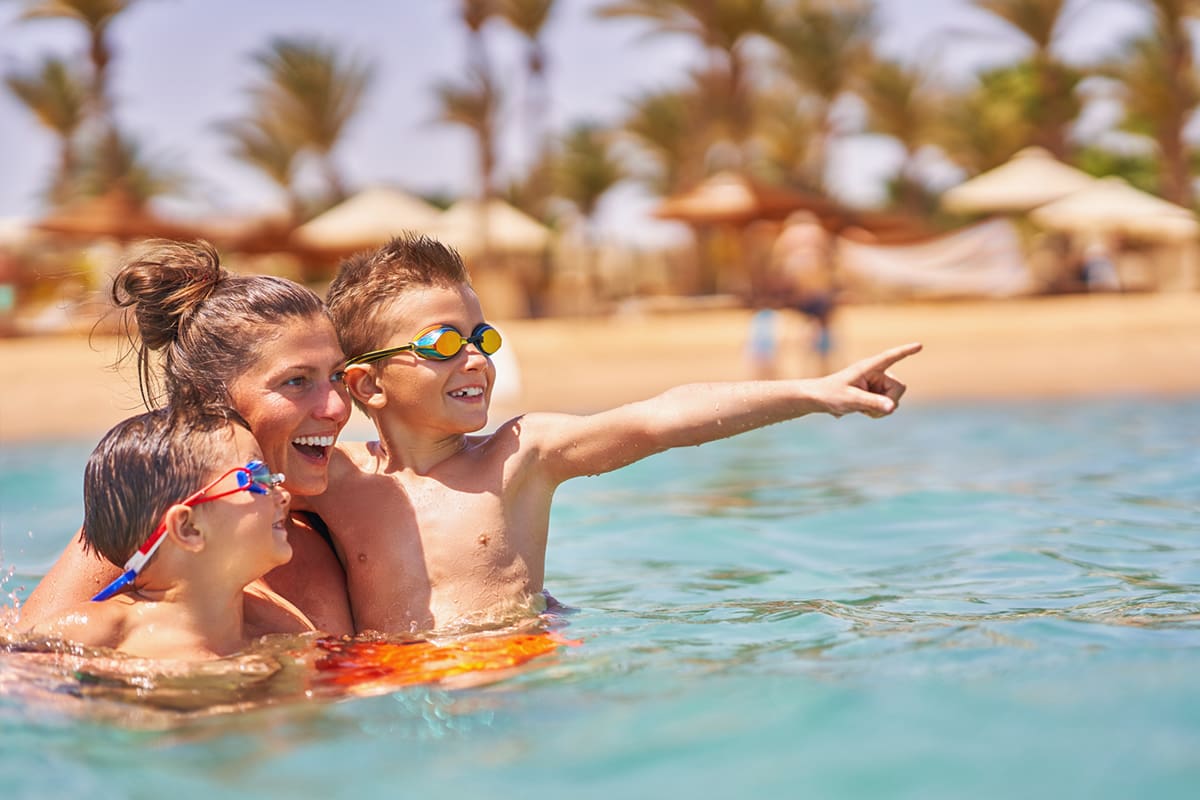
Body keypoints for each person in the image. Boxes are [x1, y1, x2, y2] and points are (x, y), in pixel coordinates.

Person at [306, 233, 921, 634]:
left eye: (481, 337)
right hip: (395, 676)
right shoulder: (337, 478)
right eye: (442, 343)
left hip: (510, 664)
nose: (474, 358)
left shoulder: (522, 456)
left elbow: (660, 419)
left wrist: (813, 393)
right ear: (367, 386)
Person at [19, 241, 355, 637]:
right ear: (206, 398)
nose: (335, 407)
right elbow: (30, 653)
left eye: (337, 376)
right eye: (296, 381)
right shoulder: (159, 522)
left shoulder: (351, 500)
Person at [27, 408, 307, 660]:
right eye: (257, 479)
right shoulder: (101, 629)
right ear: (188, 528)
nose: (281, 494)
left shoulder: (279, 628)